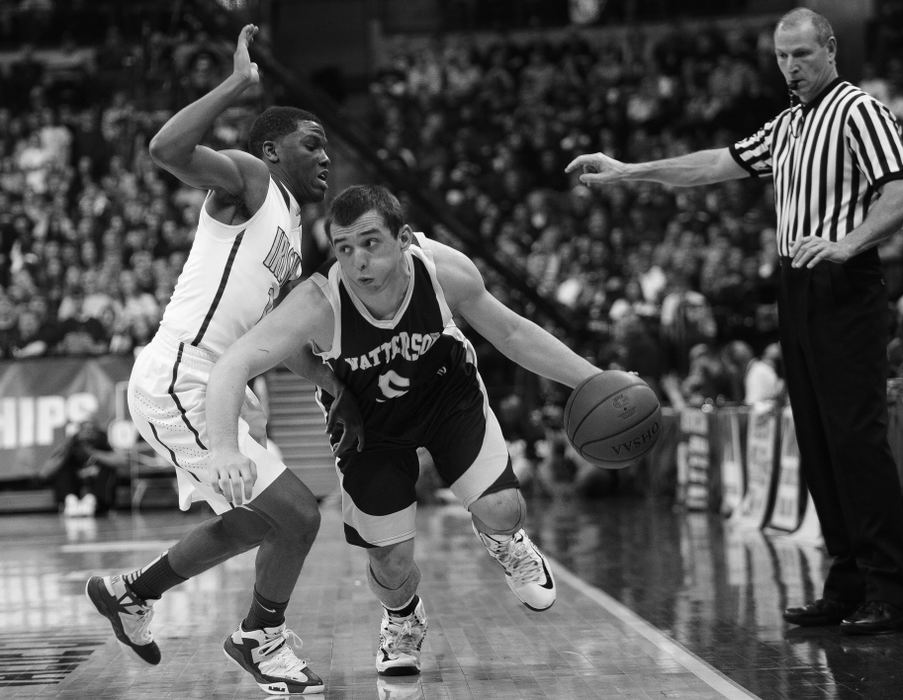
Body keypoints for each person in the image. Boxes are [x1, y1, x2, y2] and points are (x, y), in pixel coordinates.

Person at [566, 7, 903, 635]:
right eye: (782, 57)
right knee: (815, 441)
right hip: (796, 286)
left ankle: (891, 591)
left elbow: (902, 194)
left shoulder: (860, 110)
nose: (791, 67)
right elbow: (711, 165)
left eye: (802, 55)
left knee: (855, 441)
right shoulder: (787, 125)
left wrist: (847, 244)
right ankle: (847, 583)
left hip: (844, 285)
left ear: (831, 50)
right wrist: (628, 171)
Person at [204, 185, 603, 676]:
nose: (357, 262)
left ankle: (508, 542)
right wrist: (224, 445)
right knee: (391, 564)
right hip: (369, 426)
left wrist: (595, 379)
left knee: (503, 509)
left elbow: (513, 332)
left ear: (405, 239)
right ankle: (402, 619)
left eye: (371, 243)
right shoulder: (319, 299)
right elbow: (237, 361)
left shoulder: (443, 271)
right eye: (344, 248)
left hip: (445, 397)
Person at [85, 25, 356, 696]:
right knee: (296, 515)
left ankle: (132, 593)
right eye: (311, 144)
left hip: (217, 384)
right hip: (182, 377)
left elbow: (273, 335)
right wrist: (237, 85)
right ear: (272, 148)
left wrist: (332, 387)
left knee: (251, 522)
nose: (326, 158)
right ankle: (260, 639)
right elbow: (165, 148)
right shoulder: (251, 180)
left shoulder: (292, 232)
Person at [40, 419, 127, 516]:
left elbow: (122, 462)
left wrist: (93, 452)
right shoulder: (70, 448)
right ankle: (70, 501)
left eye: (91, 431)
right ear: (78, 433)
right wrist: (66, 450)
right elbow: (44, 473)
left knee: (109, 469)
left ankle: (92, 501)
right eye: (84, 430)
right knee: (62, 469)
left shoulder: (103, 447)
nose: (88, 434)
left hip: (96, 495)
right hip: (74, 493)